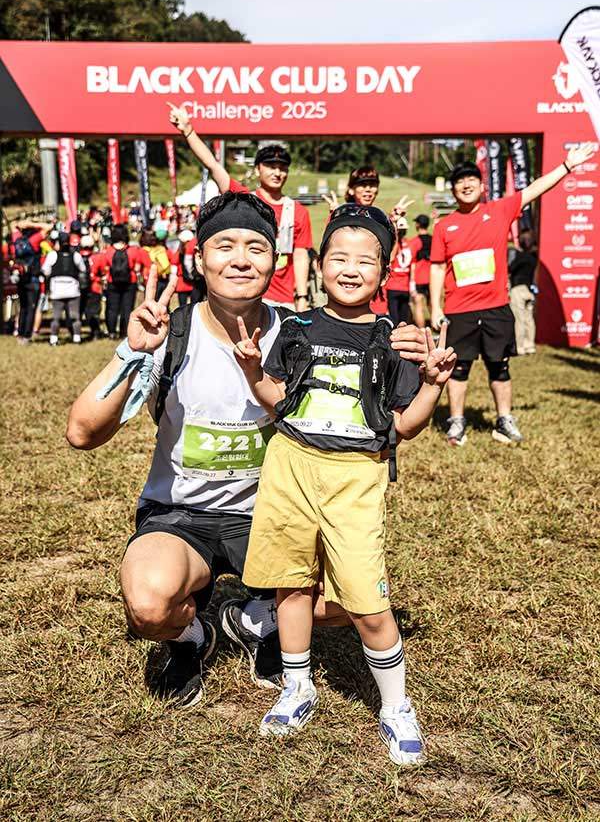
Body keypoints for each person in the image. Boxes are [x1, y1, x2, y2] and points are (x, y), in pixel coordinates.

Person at [66, 191, 428, 709]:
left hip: (277, 513)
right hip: (183, 515)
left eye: (256, 247)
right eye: (225, 246)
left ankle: (251, 619)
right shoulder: (173, 333)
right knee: (148, 602)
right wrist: (132, 353)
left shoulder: (302, 331)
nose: (240, 259)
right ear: (199, 258)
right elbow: (82, 432)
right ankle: (193, 638)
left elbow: (375, 379)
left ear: (275, 260)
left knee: (359, 597)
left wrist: (404, 346)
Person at [235, 203, 456, 765]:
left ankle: (395, 704)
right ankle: (297, 686)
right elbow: (276, 401)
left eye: (366, 260)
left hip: (357, 475)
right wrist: (251, 370)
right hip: (289, 465)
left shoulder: (395, 339)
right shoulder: (295, 327)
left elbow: (403, 425)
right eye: (339, 256)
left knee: (367, 601)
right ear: (319, 264)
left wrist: (430, 385)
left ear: (385, 273)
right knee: (291, 585)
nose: (351, 269)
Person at [430, 142, 595, 446]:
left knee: (499, 366)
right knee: (459, 369)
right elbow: (438, 268)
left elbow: (536, 188)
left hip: (496, 308)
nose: (465, 186)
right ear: (453, 191)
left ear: (482, 186)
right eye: (459, 182)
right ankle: (456, 422)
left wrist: (567, 166)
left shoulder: (501, 210)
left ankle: (504, 421)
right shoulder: (444, 226)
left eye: (471, 180)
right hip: (459, 311)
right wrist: (435, 309)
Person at [168, 102, 313, 312]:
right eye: (271, 166)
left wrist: (301, 297)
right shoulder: (244, 199)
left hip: (284, 300)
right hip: (245, 296)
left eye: (282, 168)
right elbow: (213, 166)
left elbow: (299, 256)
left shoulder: (298, 211)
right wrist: (188, 130)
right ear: (257, 169)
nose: (277, 173)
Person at [10, 219, 52, 344]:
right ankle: (26, 336)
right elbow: (48, 226)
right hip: (33, 279)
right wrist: (33, 223)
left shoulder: (17, 239)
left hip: (21, 278)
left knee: (23, 307)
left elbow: (13, 225)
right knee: (31, 308)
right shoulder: (34, 240)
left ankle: (20, 333)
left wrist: (22, 224)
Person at [95, 224, 140, 339]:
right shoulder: (133, 251)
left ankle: (111, 332)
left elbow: (102, 267)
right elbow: (137, 267)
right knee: (127, 308)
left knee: (111, 308)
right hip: (130, 282)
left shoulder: (108, 252)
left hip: (112, 282)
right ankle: (124, 332)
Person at [42, 231, 86, 345]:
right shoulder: (76, 255)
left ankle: (54, 339)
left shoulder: (52, 255)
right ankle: (77, 338)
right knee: (75, 317)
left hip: (57, 291)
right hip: (73, 291)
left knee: (56, 317)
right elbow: (83, 269)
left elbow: (45, 271)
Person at [509, 230, 538, 355]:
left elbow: (510, 268)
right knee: (529, 319)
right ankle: (530, 344)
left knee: (519, 319)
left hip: (518, 289)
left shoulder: (520, 257)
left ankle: (519, 346)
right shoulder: (533, 258)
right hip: (529, 290)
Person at [386, 215, 413, 325]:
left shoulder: (394, 244)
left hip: (399, 286)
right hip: (398, 286)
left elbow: (391, 258)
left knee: (400, 320)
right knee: (399, 319)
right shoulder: (409, 244)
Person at [408, 215, 432, 329]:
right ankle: (435, 326)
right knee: (432, 304)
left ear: (417, 225)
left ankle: (422, 330)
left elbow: (411, 261)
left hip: (419, 277)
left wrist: (411, 280)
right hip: (432, 277)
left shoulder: (415, 242)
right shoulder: (434, 240)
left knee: (418, 305)